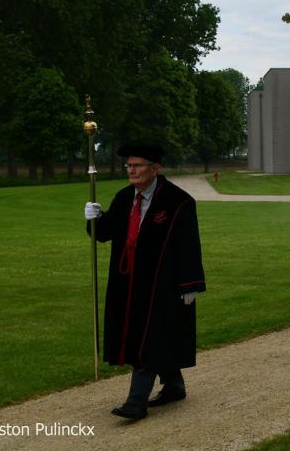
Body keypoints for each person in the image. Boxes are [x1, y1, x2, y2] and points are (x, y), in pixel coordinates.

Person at [83, 142, 205, 421]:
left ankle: (136, 402)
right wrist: (95, 218)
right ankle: (174, 385)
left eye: (137, 165)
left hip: (162, 285)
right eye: (129, 166)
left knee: (149, 338)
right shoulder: (124, 197)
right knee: (151, 336)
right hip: (127, 283)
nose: (131, 170)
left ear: (154, 169)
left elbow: (188, 246)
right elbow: (104, 234)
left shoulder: (178, 202)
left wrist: (191, 284)